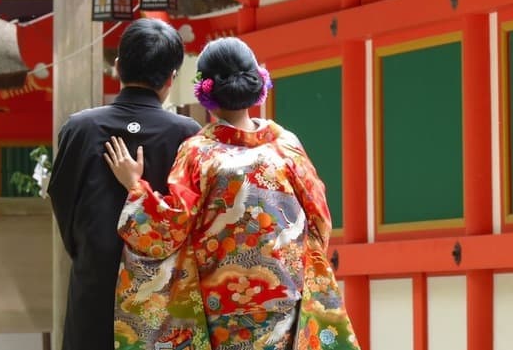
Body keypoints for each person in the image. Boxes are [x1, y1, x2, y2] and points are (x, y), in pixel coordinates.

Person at [104, 36, 357, 350]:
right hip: (285, 304)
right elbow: (319, 221)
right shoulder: (286, 146)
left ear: (205, 89)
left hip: (223, 307)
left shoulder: (199, 153)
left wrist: (135, 187)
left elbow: (167, 230)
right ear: (258, 82)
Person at [48, 18, 201, 350]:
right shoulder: (187, 134)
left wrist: (92, 252)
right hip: (163, 290)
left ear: (117, 67)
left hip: (95, 282)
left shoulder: (80, 129)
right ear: (171, 78)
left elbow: (63, 203)